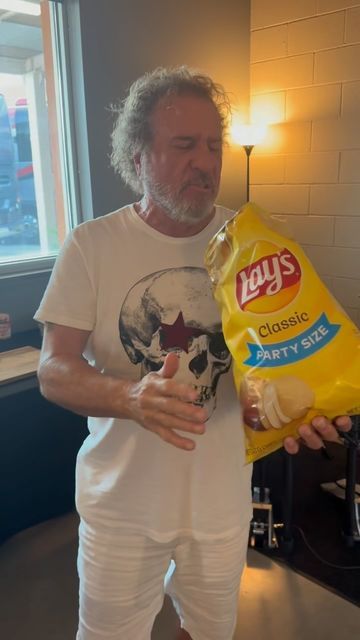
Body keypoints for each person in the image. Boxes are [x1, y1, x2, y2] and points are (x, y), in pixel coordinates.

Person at [35, 66, 351, 640]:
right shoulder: (92, 245)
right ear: (138, 158)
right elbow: (54, 370)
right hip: (122, 508)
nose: (204, 162)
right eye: (184, 145)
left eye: (213, 146)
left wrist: (304, 415)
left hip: (221, 505)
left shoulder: (254, 243)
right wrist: (131, 396)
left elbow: (282, 364)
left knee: (209, 631)